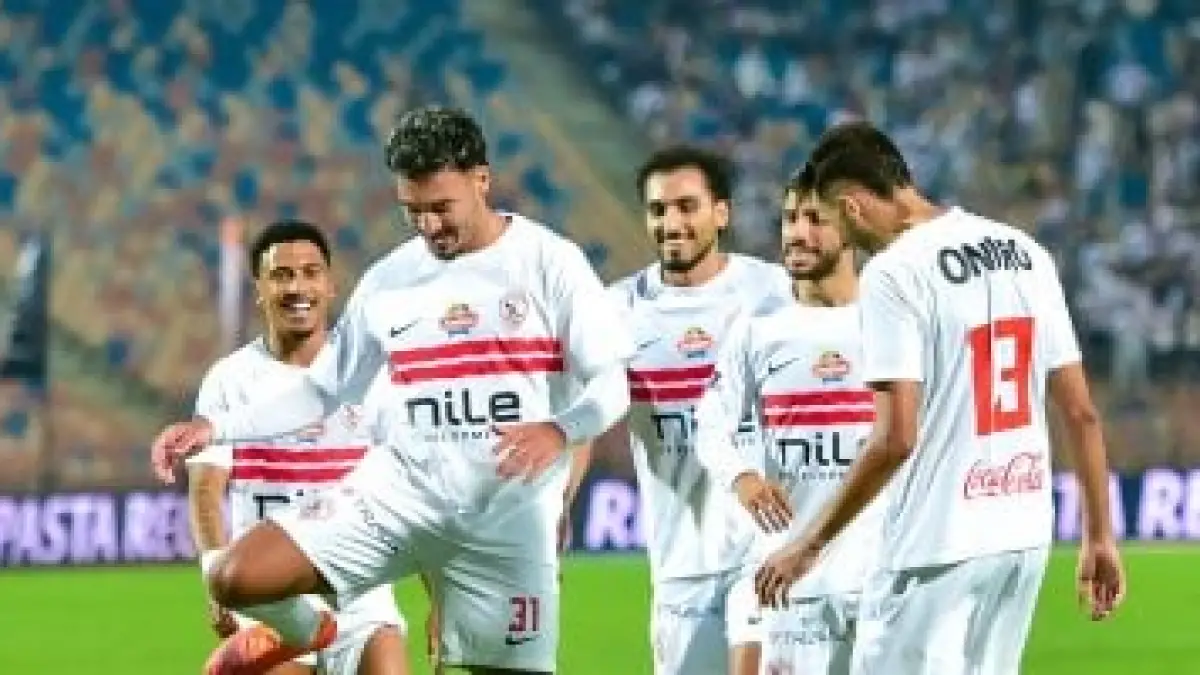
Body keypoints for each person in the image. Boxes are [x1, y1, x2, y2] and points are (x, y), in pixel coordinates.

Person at [152, 105, 632, 675]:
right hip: (400, 500)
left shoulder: (550, 263)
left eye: (441, 208)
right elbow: (323, 393)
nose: (428, 226)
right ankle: (310, 632)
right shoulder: (390, 280)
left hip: (504, 520)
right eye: (413, 210)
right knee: (234, 577)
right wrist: (214, 428)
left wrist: (559, 429)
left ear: (481, 180)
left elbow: (612, 383)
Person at [754, 122, 1126, 674]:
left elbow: (895, 438)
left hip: (934, 546)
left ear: (852, 207)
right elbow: (1081, 412)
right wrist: (1099, 535)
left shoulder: (893, 274)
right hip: (1021, 538)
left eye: (833, 220)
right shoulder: (1025, 252)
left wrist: (809, 545)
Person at [596, 145, 793, 675]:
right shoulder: (617, 310)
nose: (671, 223)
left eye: (687, 206)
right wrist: (560, 504)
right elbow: (586, 416)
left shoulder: (773, 293)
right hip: (681, 561)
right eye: (658, 210)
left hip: (768, 548)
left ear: (721, 213)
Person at [186, 220, 408, 675]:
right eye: (281, 275)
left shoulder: (372, 376)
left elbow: (413, 486)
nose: (297, 287)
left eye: (310, 273)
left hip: (358, 587)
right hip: (272, 593)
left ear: (330, 285)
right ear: (259, 289)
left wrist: (442, 595)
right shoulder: (230, 379)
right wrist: (216, 573)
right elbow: (206, 490)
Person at [695, 163, 881, 674]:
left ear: (851, 227)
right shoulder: (758, 333)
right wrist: (742, 477)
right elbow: (710, 421)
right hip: (792, 577)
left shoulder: (888, 322)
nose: (797, 233)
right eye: (790, 218)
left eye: (815, 220)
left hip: (880, 575)